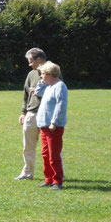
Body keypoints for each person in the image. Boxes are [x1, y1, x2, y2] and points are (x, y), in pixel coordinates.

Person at [34, 61, 68, 190]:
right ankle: (48, 178)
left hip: (53, 127)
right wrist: (42, 82)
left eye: (42, 74)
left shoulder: (60, 86)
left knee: (54, 155)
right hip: (44, 126)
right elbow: (37, 92)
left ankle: (57, 181)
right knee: (45, 154)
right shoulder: (48, 87)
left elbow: (61, 105)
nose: (41, 76)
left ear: (50, 74)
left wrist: (54, 122)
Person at [15, 48, 47, 181]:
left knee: (50, 148)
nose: (29, 64)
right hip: (31, 114)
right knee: (28, 146)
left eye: (30, 61)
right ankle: (27, 173)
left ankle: (54, 176)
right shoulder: (31, 74)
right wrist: (23, 112)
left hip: (47, 114)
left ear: (39, 60)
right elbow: (25, 95)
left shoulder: (53, 72)